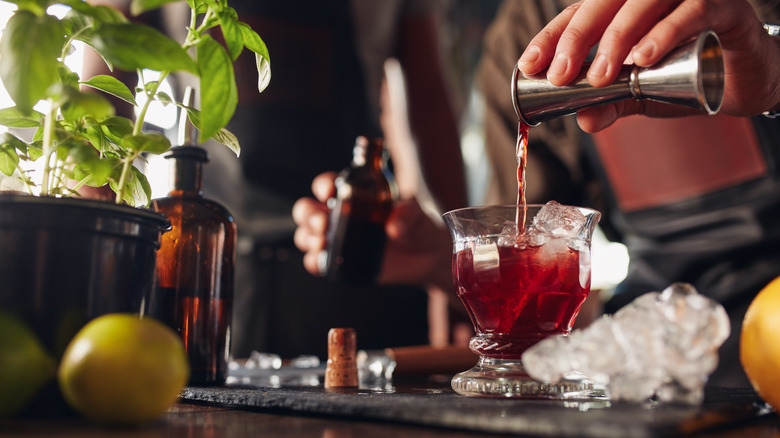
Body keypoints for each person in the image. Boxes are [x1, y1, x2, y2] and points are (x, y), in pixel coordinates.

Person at [296, 0, 780, 387]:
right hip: (654, 356)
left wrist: (775, 78)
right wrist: (436, 261)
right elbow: (535, 276)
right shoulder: (528, 35)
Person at [87, 0, 469, 360]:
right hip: (205, 265)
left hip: (356, 262)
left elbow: (428, 107)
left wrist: (454, 272)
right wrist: (95, 271)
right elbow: (98, 87)